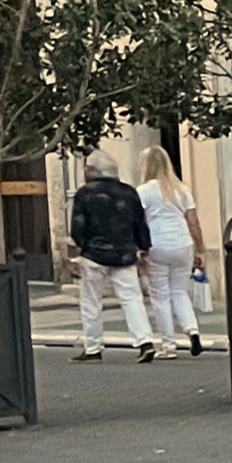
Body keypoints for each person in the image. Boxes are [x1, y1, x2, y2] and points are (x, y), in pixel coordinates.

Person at [66, 151, 154, 364]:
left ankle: (93, 347)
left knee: (91, 301)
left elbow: (78, 227)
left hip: (94, 255)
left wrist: (82, 247)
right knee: (132, 299)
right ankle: (145, 342)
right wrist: (143, 248)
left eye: (87, 169)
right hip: (124, 254)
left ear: (93, 171)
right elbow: (140, 225)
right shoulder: (130, 193)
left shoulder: (85, 194)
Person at [134, 146, 205, 360]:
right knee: (180, 292)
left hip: (157, 245)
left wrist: (139, 250)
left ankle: (168, 345)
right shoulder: (181, 189)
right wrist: (200, 250)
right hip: (183, 244)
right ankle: (192, 330)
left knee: (160, 297)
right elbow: (193, 223)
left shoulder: (143, 191)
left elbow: (139, 223)